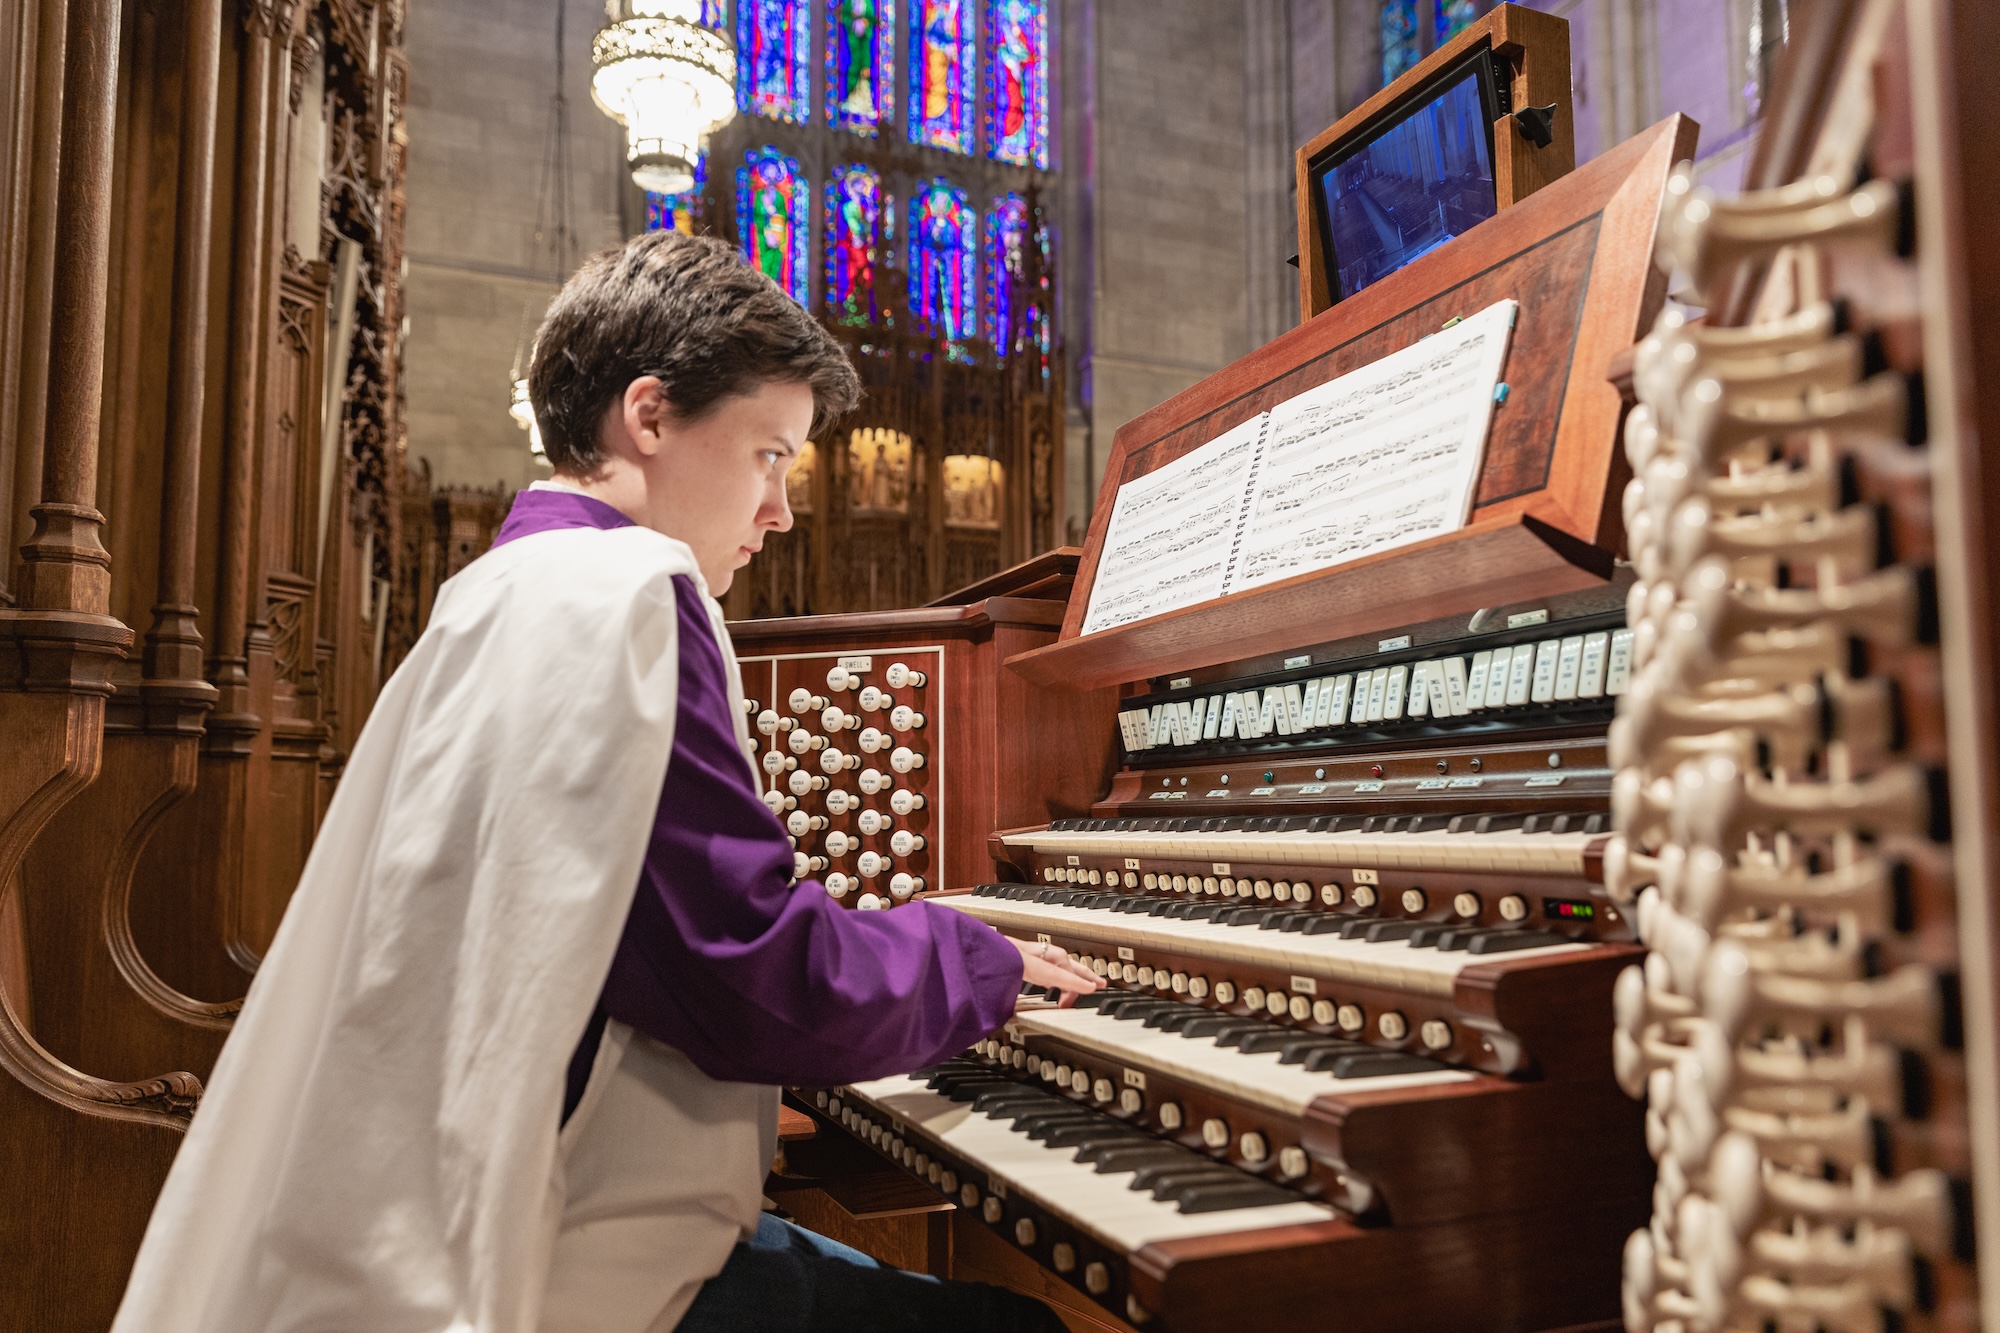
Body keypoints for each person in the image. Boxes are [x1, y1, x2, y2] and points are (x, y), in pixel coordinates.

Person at [110, 231, 1101, 1333]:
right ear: (649, 416)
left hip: (454, 1207)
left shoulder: (506, 586)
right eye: (770, 455)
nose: (780, 511)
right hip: (556, 1267)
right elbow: (745, 972)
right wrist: (971, 957)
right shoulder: (620, 595)